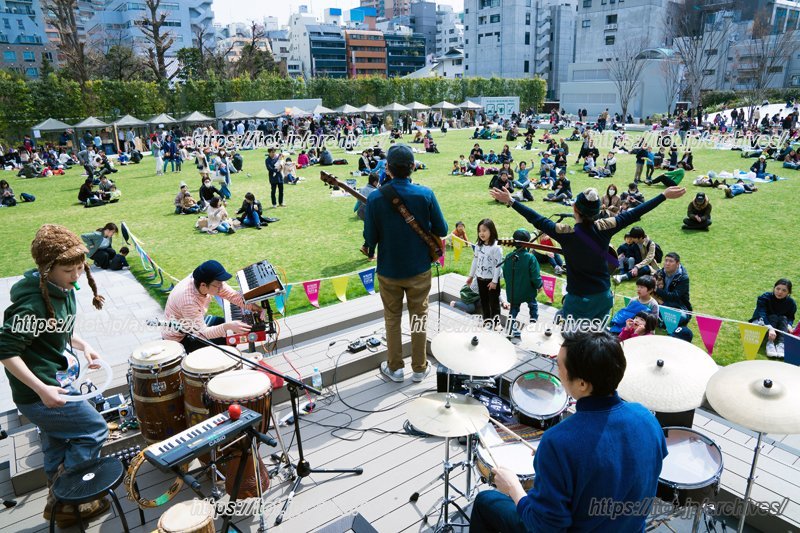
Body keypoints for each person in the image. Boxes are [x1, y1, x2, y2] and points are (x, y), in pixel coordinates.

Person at [469, 331, 667, 532]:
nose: (557, 371)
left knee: (487, 500)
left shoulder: (558, 442)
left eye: (559, 366)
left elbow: (544, 528)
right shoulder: (647, 419)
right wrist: (559, 466)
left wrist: (514, 489)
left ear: (582, 383)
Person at [0, 224, 109, 528]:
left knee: (57, 442)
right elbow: (6, 349)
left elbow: (58, 327)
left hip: (57, 381)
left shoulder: (61, 289)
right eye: (68, 270)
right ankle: (69, 496)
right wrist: (42, 390)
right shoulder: (32, 305)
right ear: (47, 269)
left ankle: (58, 505)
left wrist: (84, 346)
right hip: (40, 394)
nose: (76, 276)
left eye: (79, 268)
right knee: (94, 430)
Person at [491, 186, 686, 322]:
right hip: (602, 297)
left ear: (574, 208)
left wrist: (511, 201)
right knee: (595, 341)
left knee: (573, 343)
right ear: (597, 211)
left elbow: (537, 219)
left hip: (576, 299)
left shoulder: (565, 233)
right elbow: (633, 213)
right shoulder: (605, 227)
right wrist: (663, 195)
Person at [364, 144, 447, 383]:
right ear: (412, 167)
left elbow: (370, 239)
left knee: (392, 318)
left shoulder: (375, 197)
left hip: (389, 269)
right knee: (419, 317)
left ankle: (396, 368)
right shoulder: (426, 194)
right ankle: (420, 368)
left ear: (387, 168)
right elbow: (441, 229)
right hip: (419, 268)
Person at [163, 260, 263, 353]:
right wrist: (227, 326)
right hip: (180, 339)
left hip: (191, 324)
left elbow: (232, 295)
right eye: (218, 285)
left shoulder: (203, 280)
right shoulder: (188, 301)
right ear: (203, 285)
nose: (221, 287)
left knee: (227, 330)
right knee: (227, 340)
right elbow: (202, 333)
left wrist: (257, 309)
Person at [503, 228, 543, 338]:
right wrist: (539, 285)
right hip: (528, 290)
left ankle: (510, 329)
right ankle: (533, 326)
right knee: (533, 306)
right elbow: (535, 275)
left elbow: (505, 273)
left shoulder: (508, 257)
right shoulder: (530, 257)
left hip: (513, 291)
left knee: (513, 310)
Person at [467, 219, 503, 327]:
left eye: (484, 230)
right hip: (480, 279)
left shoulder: (496, 247)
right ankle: (487, 320)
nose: (481, 233)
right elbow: (475, 260)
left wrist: (494, 282)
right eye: (479, 231)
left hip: (491, 281)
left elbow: (498, 265)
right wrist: (471, 276)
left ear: (491, 231)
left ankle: (497, 323)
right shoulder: (478, 245)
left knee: (494, 303)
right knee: (484, 301)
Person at [750, 279, 795, 359]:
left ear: (788, 292)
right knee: (773, 316)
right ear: (774, 288)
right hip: (761, 322)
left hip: (778, 324)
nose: (780, 292)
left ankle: (781, 344)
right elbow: (762, 314)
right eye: (778, 289)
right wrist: (770, 328)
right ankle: (770, 343)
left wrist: (789, 325)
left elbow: (790, 317)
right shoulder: (765, 297)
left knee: (784, 318)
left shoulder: (791, 303)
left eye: (784, 290)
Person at [654, 252, 692, 328]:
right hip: (660, 302)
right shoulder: (659, 273)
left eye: (671, 261)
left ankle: (661, 320)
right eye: (666, 260)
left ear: (677, 263)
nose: (667, 263)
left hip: (678, 305)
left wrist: (656, 290)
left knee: (682, 318)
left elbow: (674, 296)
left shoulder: (683, 278)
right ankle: (661, 320)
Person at [357, 174, 381, 261]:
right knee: (374, 233)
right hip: (372, 214)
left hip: (363, 213)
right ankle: (371, 255)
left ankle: (365, 247)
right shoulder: (375, 191)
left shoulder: (362, 189)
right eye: (378, 182)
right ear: (375, 182)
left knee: (370, 232)